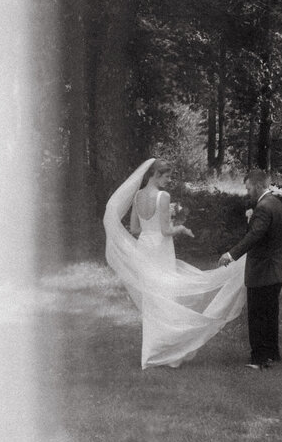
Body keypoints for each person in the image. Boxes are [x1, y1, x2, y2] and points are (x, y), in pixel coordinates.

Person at [104, 157, 245, 368]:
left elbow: (134, 229)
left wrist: (154, 226)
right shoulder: (162, 196)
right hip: (160, 248)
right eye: (167, 175)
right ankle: (171, 352)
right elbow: (165, 231)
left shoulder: (137, 196)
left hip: (145, 247)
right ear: (155, 175)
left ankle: (152, 352)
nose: (169, 180)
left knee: (152, 298)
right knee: (167, 294)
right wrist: (180, 228)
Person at [219, 169, 282, 369]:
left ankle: (259, 359)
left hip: (264, 270)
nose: (247, 191)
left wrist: (231, 254)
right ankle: (272, 353)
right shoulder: (275, 203)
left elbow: (255, 236)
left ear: (258, 185)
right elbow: (266, 234)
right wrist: (251, 220)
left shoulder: (263, 207)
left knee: (258, 314)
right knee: (270, 313)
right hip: (277, 268)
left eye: (249, 187)